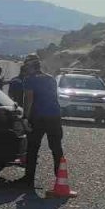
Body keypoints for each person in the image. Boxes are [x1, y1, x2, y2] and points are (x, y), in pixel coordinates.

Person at [19, 55, 63, 187]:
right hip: (55, 116)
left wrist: (25, 117)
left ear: (29, 67)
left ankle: (28, 179)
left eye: (26, 66)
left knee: (32, 148)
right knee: (56, 148)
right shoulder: (51, 79)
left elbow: (29, 99)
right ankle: (60, 178)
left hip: (38, 117)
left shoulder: (29, 80)